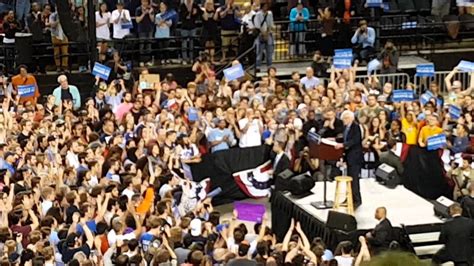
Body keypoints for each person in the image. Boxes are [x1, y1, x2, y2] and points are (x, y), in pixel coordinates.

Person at [335, 110, 363, 208]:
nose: (344, 121)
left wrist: (342, 145)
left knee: (354, 179)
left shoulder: (356, 127)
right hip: (349, 157)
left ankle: (356, 200)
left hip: (355, 157)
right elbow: (344, 139)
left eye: (345, 119)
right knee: (350, 179)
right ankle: (349, 198)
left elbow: (355, 140)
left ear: (350, 118)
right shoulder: (346, 128)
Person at [254, 3, 275, 69]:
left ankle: (269, 66)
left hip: (268, 34)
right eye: (264, 6)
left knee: (269, 51)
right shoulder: (258, 14)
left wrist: (267, 33)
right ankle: (258, 67)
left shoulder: (270, 13)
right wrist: (263, 33)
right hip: (260, 34)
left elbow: (271, 24)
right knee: (259, 51)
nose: (266, 8)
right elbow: (257, 25)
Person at [179, 0, 200, 64]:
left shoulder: (195, 5)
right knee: (184, 44)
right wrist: (188, 12)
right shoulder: (182, 5)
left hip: (192, 26)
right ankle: (184, 59)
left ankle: (191, 58)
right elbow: (181, 16)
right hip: (184, 27)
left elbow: (197, 14)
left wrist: (195, 13)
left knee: (192, 44)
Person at [136, 0, 155, 65]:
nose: (145, 3)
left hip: (149, 29)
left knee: (149, 45)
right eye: (143, 1)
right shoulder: (138, 9)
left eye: (146, 1)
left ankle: (148, 60)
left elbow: (152, 20)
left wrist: (149, 13)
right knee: (141, 45)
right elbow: (137, 20)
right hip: (141, 30)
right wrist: (143, 13)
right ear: (141, 2)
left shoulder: (151, 9)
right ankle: (141, 61)